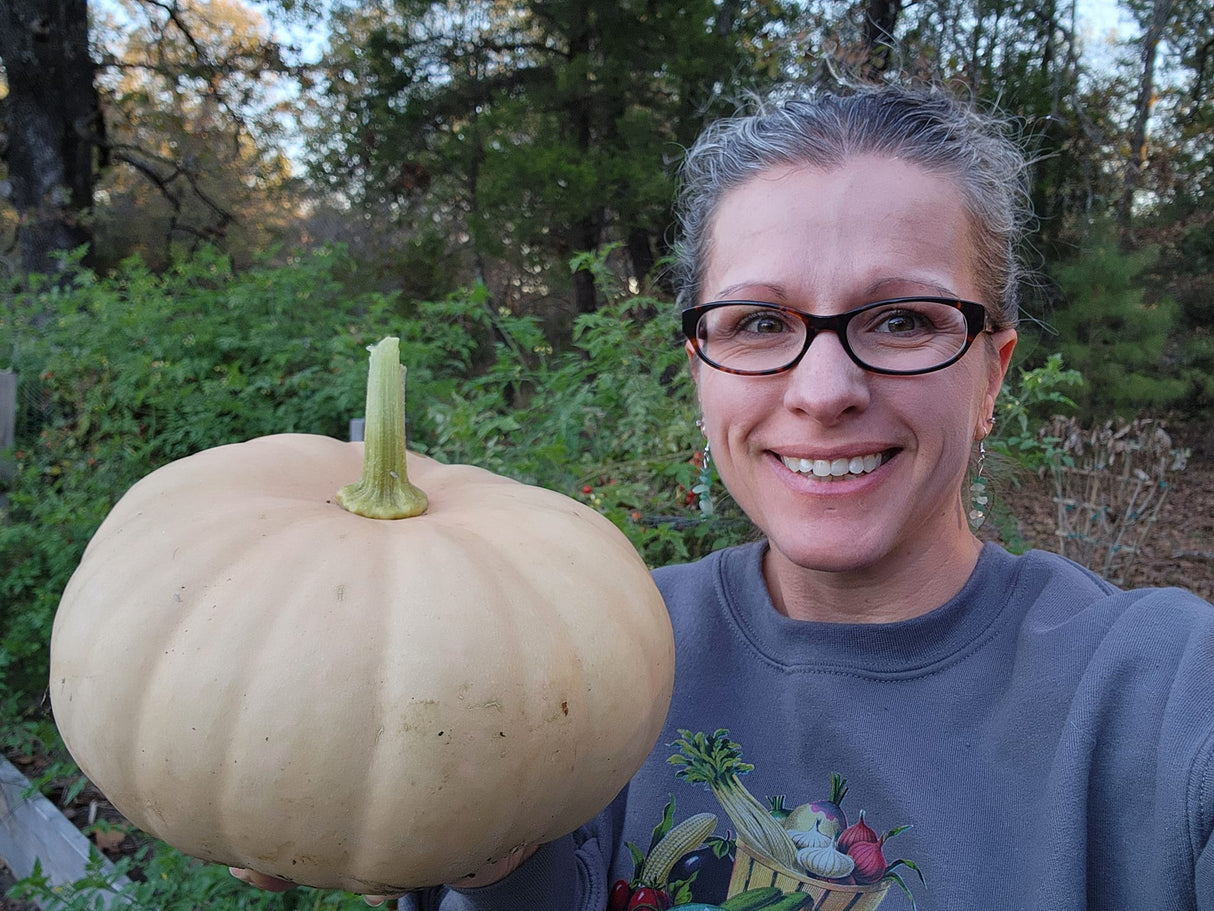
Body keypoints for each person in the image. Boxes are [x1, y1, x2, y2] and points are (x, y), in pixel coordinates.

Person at [236, 82, 1214, 909]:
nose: (823, 390)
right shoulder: (589, 647)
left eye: (903, 318)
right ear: (699, 371)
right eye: (755, 322)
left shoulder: (1159, 688)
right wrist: (468, 831)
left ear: (991, 372)